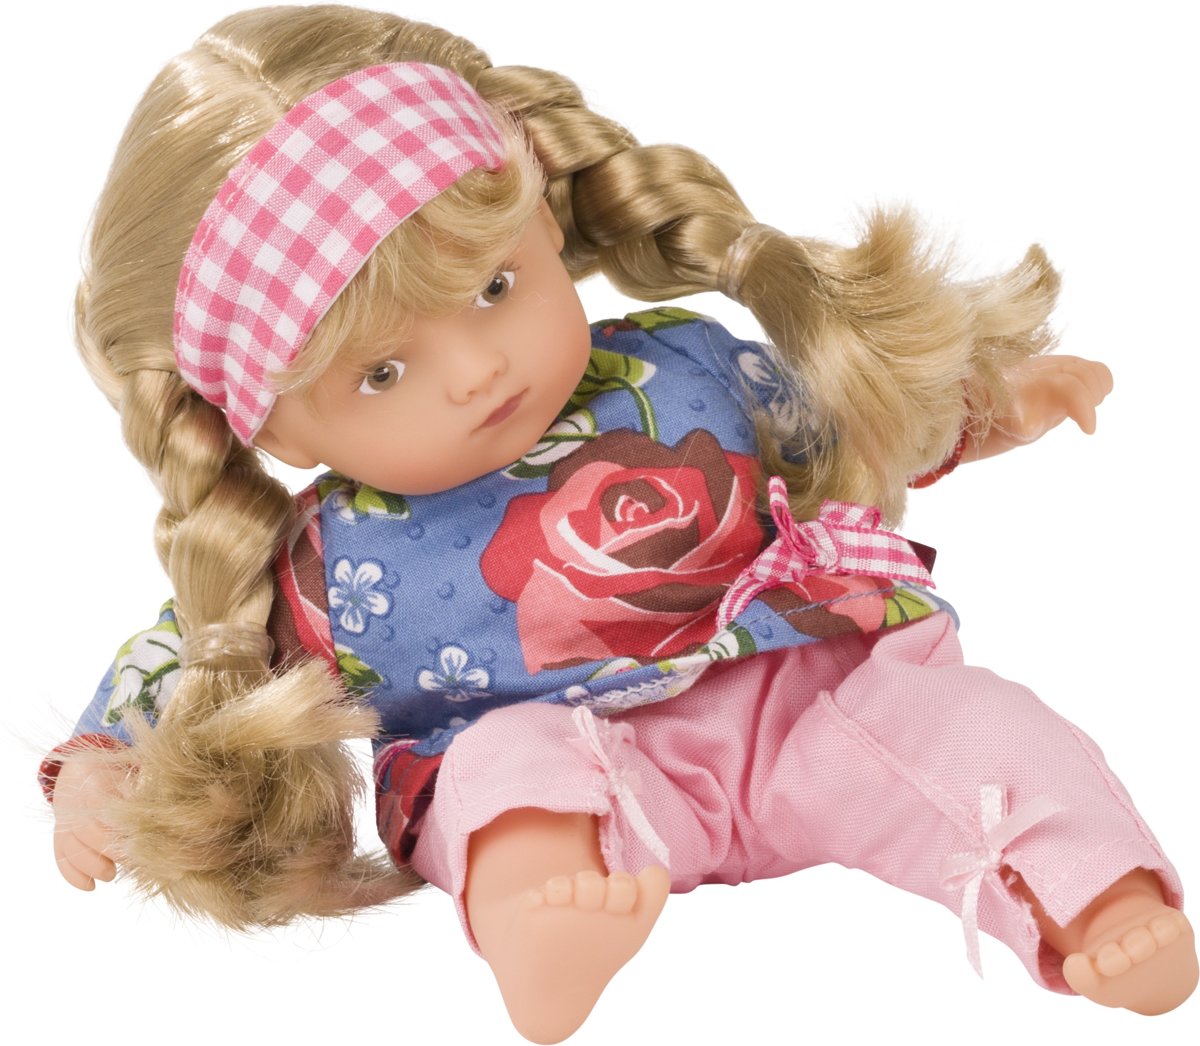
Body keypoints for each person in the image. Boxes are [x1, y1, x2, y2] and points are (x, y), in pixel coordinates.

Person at [43, 5, 1196, 1042]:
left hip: (810, 700)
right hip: (578, 768)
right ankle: (544, 924)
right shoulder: (322, 560)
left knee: (973, 723)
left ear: (542, 218)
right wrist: (102, 764)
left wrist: (987, 404)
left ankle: (1097, 899)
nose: (475, 368)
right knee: (500, 774)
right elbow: (195, 649)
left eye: (494, 288)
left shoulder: (683, 364)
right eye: (383, 370)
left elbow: (846, 416)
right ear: (274, 428)